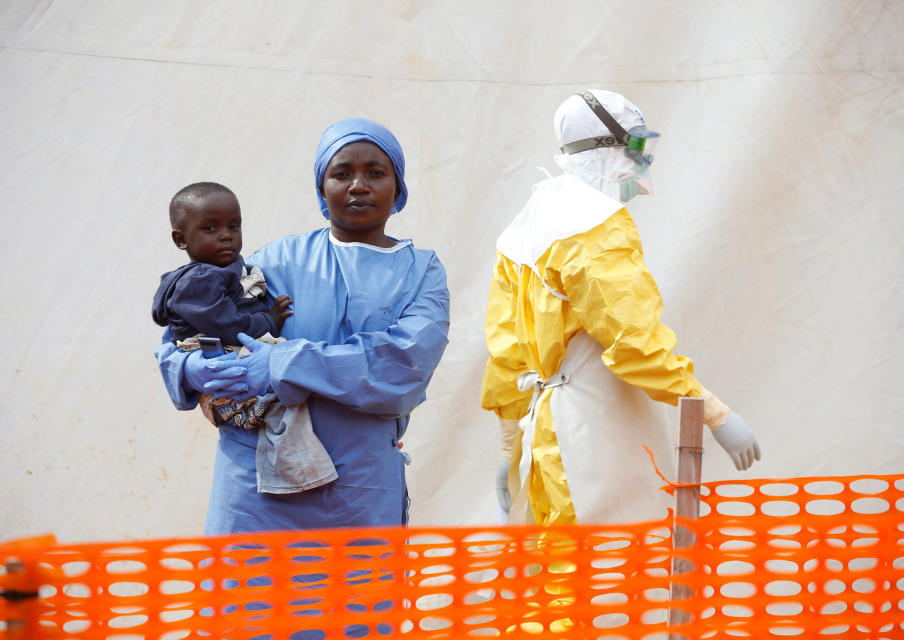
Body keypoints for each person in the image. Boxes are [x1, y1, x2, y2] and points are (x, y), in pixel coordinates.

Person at [155, 119, 450, 534]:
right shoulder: (271, 261)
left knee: (357, 599)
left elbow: (401, 367)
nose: (358, 186)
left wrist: (283, 362)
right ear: (321, 189)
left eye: (376, 173)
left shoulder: (421, 273)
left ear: (398, 187)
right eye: (341, 173)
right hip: (254, 494)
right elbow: (183, 329)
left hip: (360, 492)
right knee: (248, 599)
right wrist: (188, 370)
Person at [482, 89, 761, 526]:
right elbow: (635, 345)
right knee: (606, 573)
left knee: (562, 568)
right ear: (610, 150)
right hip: (592, 433)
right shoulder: (596, 226)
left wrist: (508, 447)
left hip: (547, 431)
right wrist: (715, 414)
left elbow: (507, 355)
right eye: (638, 147)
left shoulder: (525, 224)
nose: (643, 163)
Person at [153, 182, 337, 496]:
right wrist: (270, 321)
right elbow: (224, 324)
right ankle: (299, 474)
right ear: (180, 239)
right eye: (210, 228)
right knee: (284, 398)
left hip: (230, 348)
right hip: (220, 353)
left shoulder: (226, 269)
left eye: (233, 226)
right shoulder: (199, 279)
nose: (226, 235)